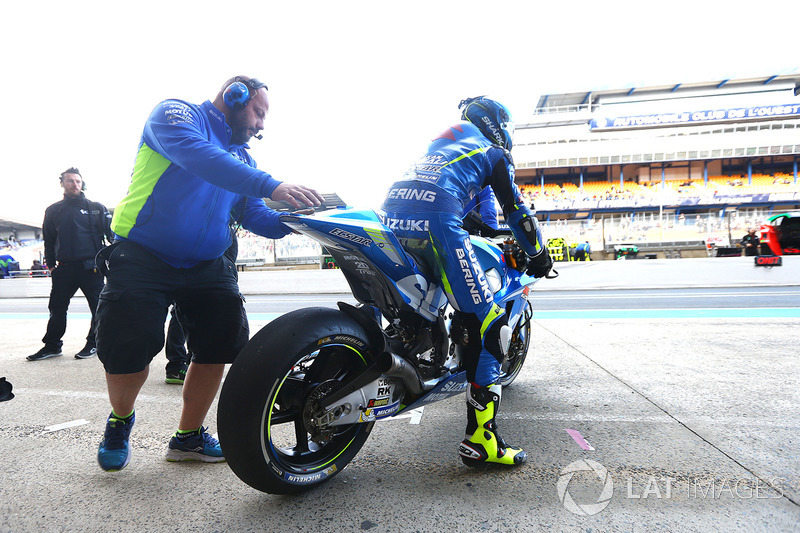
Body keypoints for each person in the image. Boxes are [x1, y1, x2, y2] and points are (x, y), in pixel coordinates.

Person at [94, 75, 323, 472]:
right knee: (126, 352)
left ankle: (188, 438)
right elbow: (199, 157)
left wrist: (303, 221)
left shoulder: (243, 159)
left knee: (217, 346)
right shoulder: (176, 115)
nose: (261, 125)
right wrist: (274, 185)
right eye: (258, 113)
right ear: (234, 95)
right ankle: (120, 420)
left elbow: (255, 215)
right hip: (143, 256)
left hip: (209, 263)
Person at [381, 96, 552, 467]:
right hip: (437, 222)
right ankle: (481, 440)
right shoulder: (493, 153)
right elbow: (517, 212)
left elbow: (464, 200)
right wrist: (538, 254)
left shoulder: (440, 144)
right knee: (490, 326)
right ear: (498, 125)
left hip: (390, 216)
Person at [26, 168, 113, 361]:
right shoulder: (53, 210)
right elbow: (49, 240)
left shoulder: (96, 207)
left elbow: (112, 237)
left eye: (78, 181)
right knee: (56, 308)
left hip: (92, 267)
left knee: (98, 308)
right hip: (64, 268)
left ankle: (94, 343)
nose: (75, 184)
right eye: (70, 181)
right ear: (62, 184)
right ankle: (52, 346)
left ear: (83, 184)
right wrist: (50, 266)